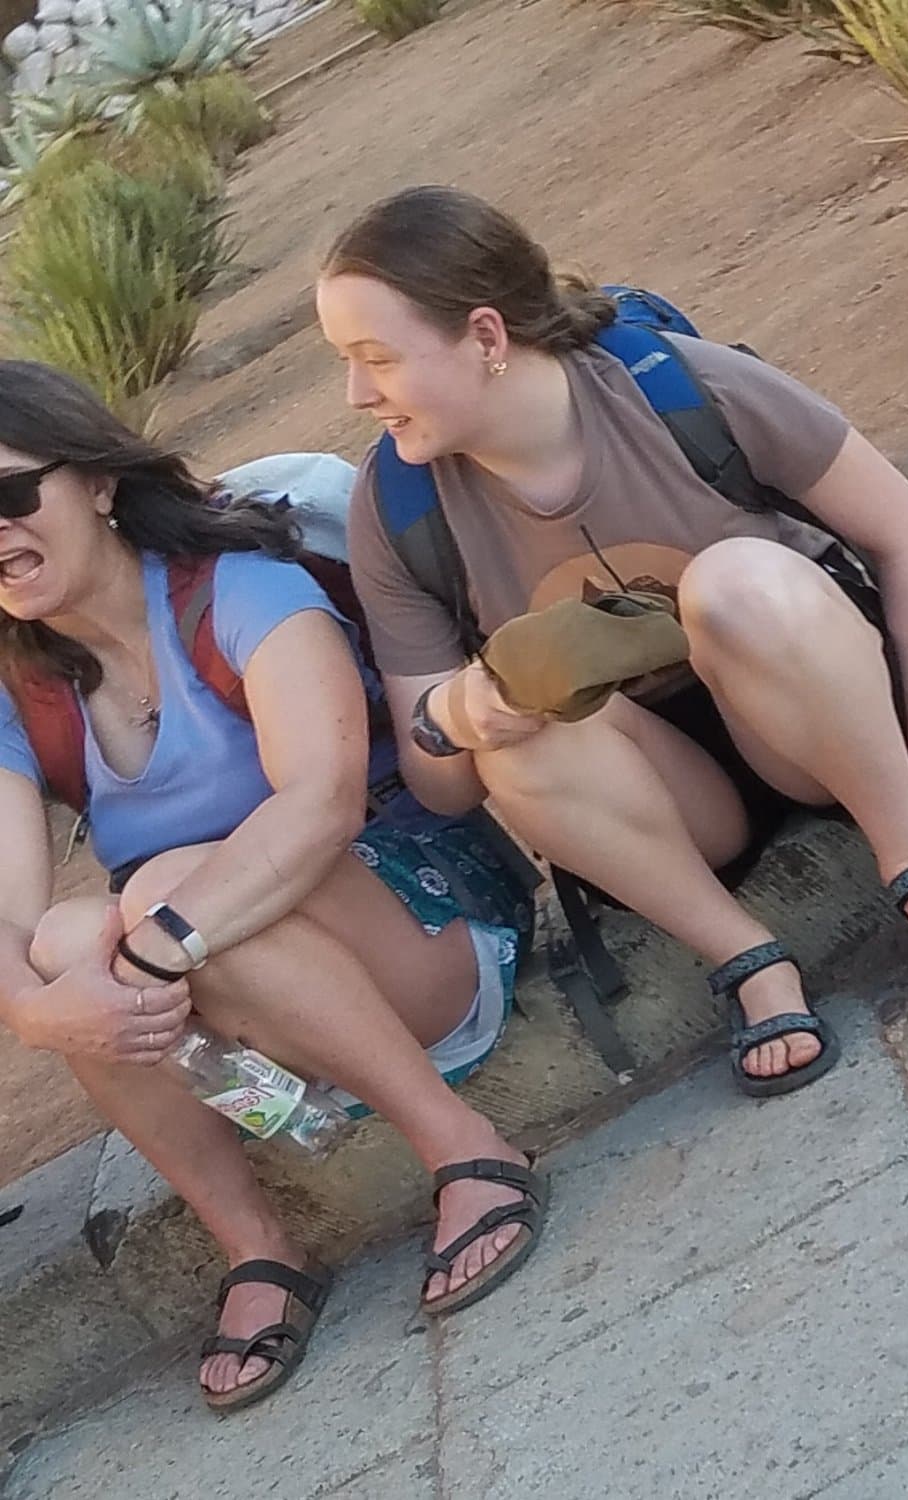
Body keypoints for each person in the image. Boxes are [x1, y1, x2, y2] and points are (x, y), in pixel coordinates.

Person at [318, 184, 908, 1100]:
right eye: (346, 362)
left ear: (486, 335)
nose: (356, 394)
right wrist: (457, 716)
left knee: (736, 580)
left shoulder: (672, 385)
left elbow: (906, 534)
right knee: (516, 733)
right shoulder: (399, 507)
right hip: (668, 794)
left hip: (809, 709)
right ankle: (747, 957)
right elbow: (442, 786)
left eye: (377, 359)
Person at [0, 363, 545, 1415]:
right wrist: (37, 1006)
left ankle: (466, 1146)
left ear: (99, 482)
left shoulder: (236, 588)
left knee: (161, 893)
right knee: (64, 948)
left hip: (424, 926)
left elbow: (324, 802)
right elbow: (7, 913)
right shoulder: (20, 687)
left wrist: (157, 941)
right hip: (244, 1014)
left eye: (11, 493)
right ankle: (259, 1246)